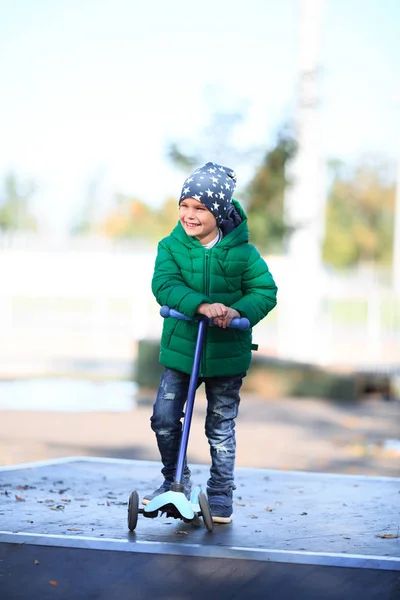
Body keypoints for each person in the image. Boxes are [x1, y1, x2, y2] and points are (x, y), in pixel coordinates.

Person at [143, 161, 277, 523]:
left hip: (226, 355)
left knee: (219, 426)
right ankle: (175, 480)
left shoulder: (244, 254)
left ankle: (220, 492)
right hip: (182, 352)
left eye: (200, 208)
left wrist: (235, 312)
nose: (189, 214)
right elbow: (164, 285)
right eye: (184, 205)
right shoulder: (170, 247)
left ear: (218, 211)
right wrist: (200, 305)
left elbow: (265, 291)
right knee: (164, 418)